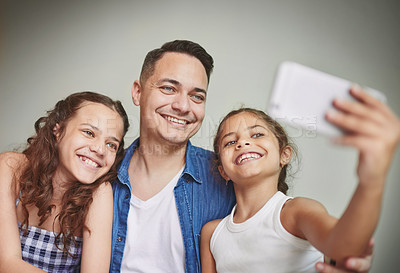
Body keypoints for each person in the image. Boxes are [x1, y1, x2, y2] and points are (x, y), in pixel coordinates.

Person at [111, 39, 376, 273]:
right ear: (138, 91)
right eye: (169, 88)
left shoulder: (227, 178)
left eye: (197, 96)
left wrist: (341, 258)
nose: (182, 106)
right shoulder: (101, 174)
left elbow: (324, 240)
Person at [200, 91, 400, 272]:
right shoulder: (212, 234)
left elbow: (344, 247)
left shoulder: (296, 212)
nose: (242, 143)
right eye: (230, 142)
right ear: (223, 171)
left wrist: (371, 181)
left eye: (257, 134)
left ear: (284, 155)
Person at [0, 91, 130, 273]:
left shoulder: (99, 192)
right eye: (89, 132)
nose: (100, 149)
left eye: (111, 145)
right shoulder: (11, 168)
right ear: (58, 129)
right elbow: (6, 263)